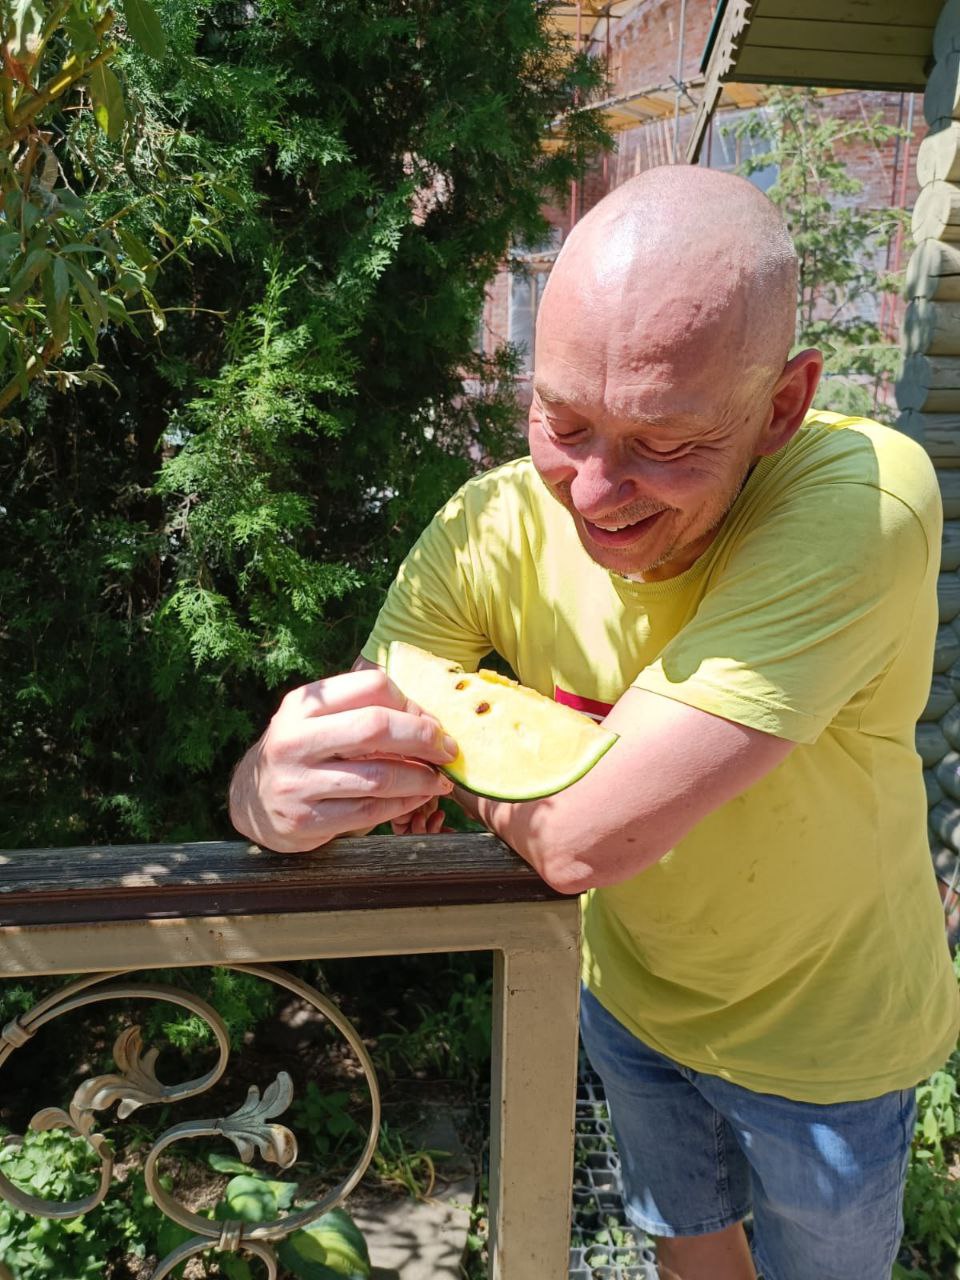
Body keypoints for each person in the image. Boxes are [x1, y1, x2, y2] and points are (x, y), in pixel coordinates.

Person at [229, 165, 960, 1280]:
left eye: (664, 443)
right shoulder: (489, 522)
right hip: (631, 1005)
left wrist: (460, 755)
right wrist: (267, 796)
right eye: (562, 421)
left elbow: (582, 841)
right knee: (688, 1250)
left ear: (782, 406)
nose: (591, 490)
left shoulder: (865, 495)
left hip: (832, 1042)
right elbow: (354, 743)